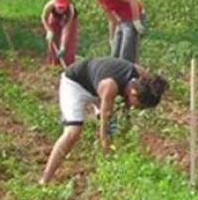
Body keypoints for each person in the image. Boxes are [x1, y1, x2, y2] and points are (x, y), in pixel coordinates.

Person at [39, 57, 168, 185]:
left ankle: (113, 170)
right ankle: (45, 179)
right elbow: (104, 128)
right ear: (133, 93)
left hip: (98, 86)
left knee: (115, 128)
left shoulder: (143, 79)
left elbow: (128, 109)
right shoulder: (110, 87)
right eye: (138, 105)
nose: (135, 108)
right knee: (73, 132)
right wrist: (106, 146)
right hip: (75, 84)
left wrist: (122, 131)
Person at [76, 0, 145, 62]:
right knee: (115, 54)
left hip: (133, 16)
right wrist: (111, 38)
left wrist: (136, 21)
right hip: (122, 20)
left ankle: (130, 74)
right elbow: (112, 19)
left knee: (126, 52)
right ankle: (116, 73)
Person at [41, 0, 79, 66]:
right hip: (54, 18)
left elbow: (66, 29)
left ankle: (68, 64)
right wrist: (48, 30)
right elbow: (44, 18)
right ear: (55, 4)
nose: (60, 10)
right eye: (58, 7)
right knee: (52, 39)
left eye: (62, 8)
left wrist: (62, 47)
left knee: (69, 43)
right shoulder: (49, 5)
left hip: (68, 21)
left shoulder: (70, 10)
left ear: (66, 5)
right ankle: (53, 63)